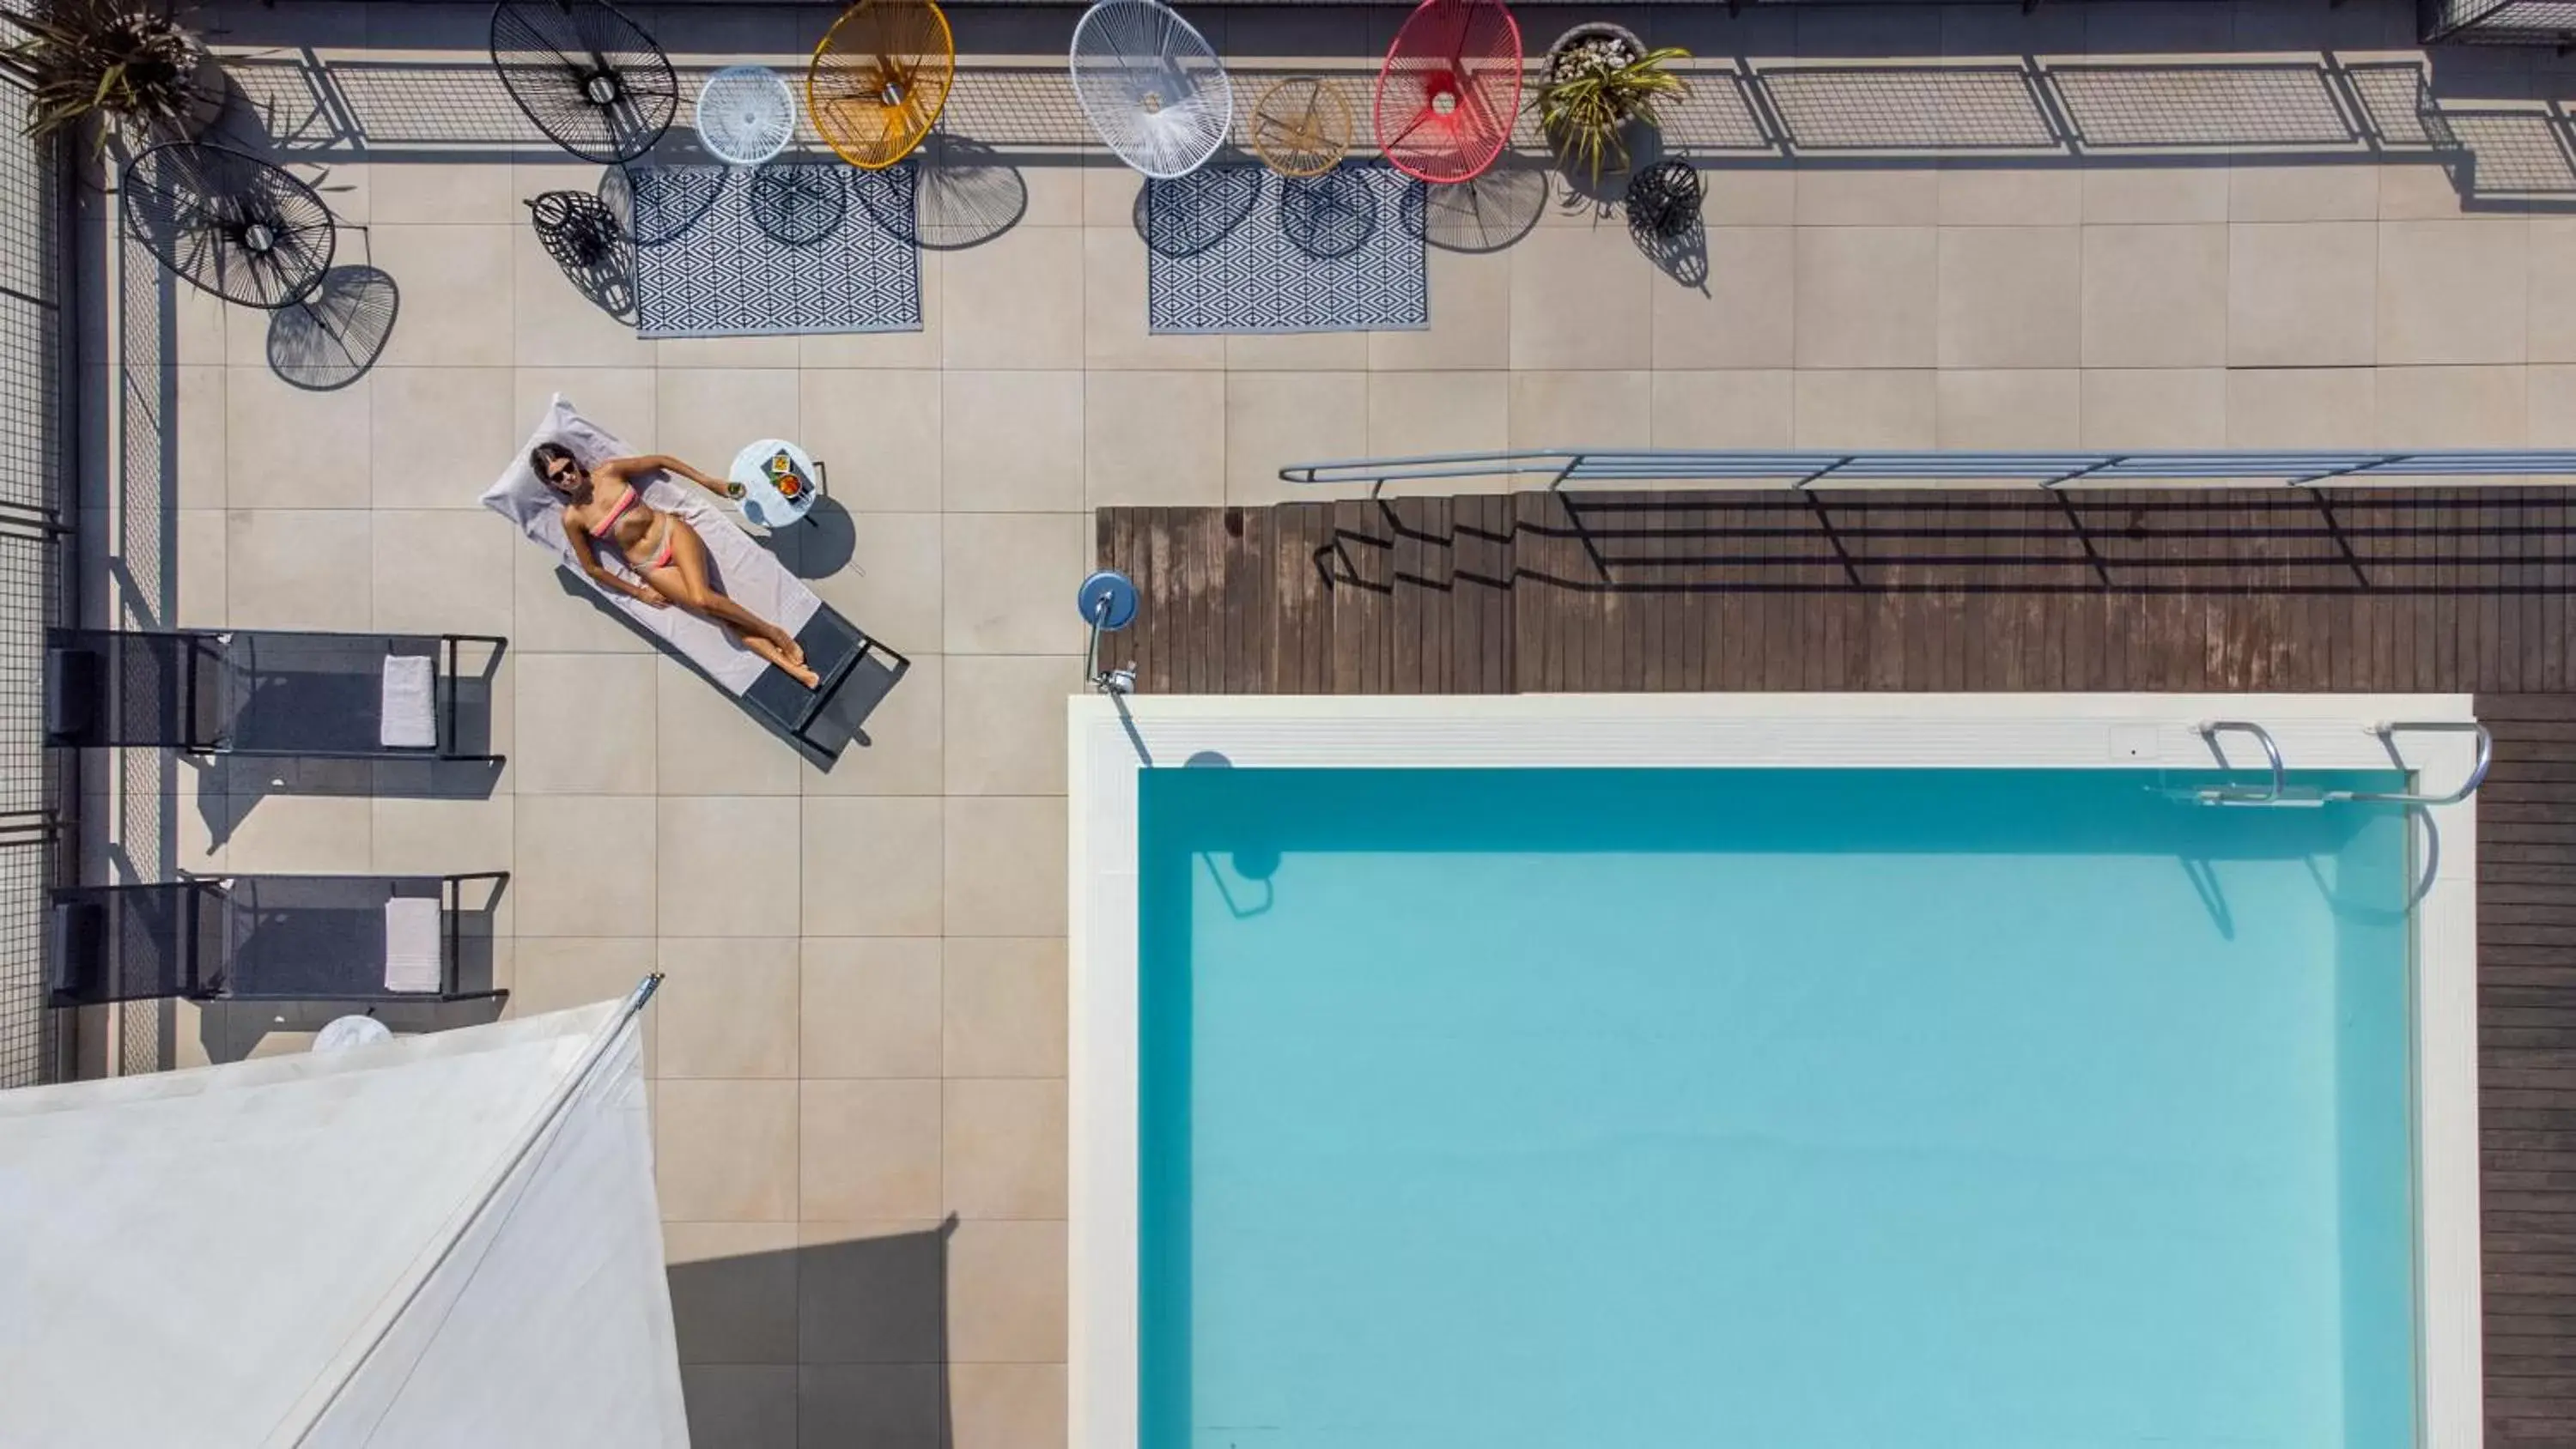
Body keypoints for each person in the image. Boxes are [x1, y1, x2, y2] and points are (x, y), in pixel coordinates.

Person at [533, 443, 818, 689]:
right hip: (650, 566)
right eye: (557, 476)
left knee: (701, 598)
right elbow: (592, 568)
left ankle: (774, 632)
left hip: (670, 532)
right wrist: (638, 592)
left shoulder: (608, 472)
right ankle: (793, 669)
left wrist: (709, 482)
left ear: (575, 460)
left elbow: (661, 461)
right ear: (552, 484)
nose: (567, 476)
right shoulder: (572, 519)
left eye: (567, 467)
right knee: (721, 617)